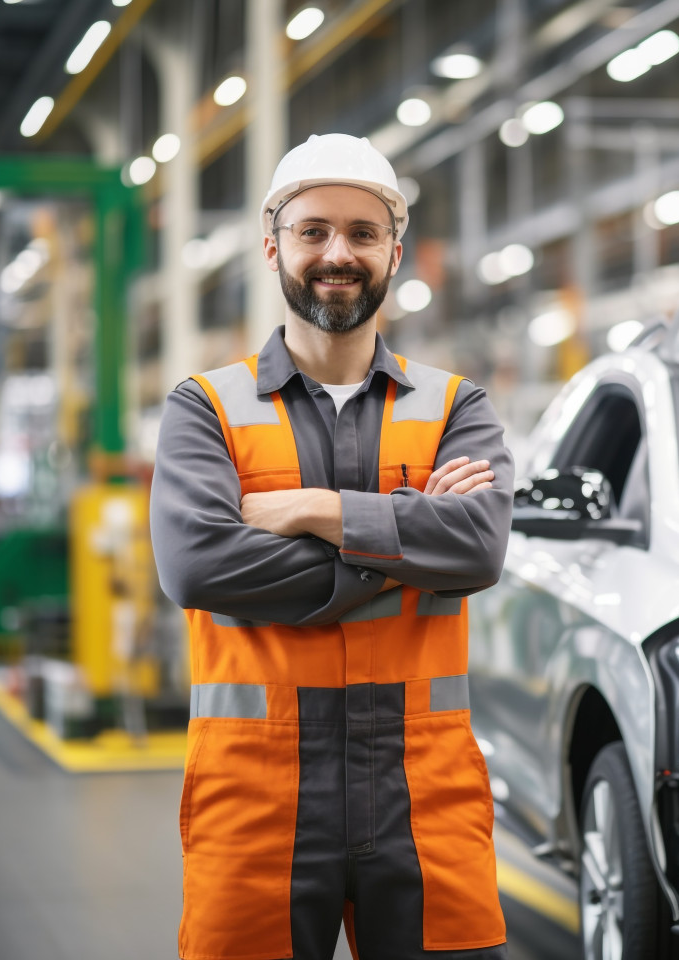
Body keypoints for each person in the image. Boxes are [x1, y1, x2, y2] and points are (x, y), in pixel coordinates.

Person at [150, 133, 514, 960]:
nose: (337, 253)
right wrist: (404, 539)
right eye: (314, 231)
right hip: (257, 800)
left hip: (426, 796)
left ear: (395, 250)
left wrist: (312, 508)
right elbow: (200, 566)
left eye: (361, 232)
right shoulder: (206, 407)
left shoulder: (460, 407)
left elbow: (479, 548)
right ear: (274, 245)